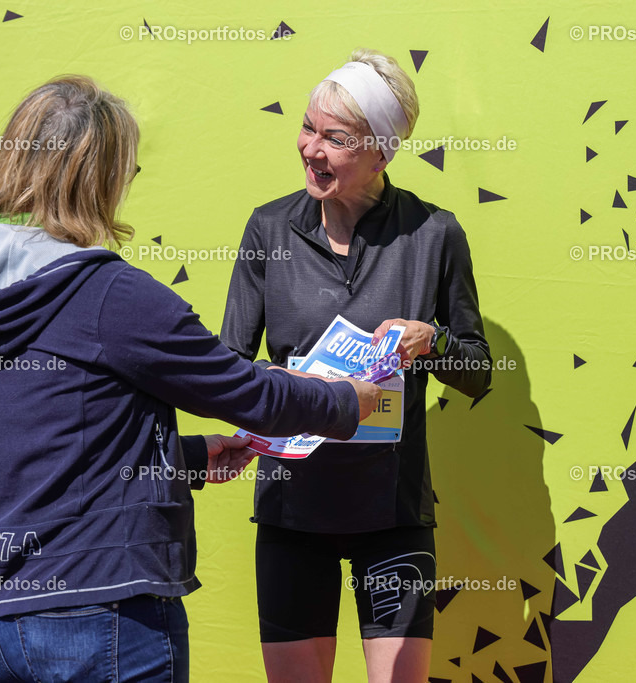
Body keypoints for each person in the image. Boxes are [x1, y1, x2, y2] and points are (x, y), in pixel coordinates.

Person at [0, 75, 382, 683]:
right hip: (101, 615)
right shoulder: (108, 294)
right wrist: (347, 401)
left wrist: (186, 460)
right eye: (128, 172)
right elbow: (247, 393)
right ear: (98, 178)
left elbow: (42, 442)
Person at [221, 49, 491, 682]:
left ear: (383, 151)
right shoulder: (268, 230)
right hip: (293, 507)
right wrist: (283, 387)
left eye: (335, 138)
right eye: (308, 127)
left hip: (391, 513)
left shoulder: (435, 234)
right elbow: (229, 368)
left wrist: (433, 341)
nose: (311, 148)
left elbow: (479, 371)